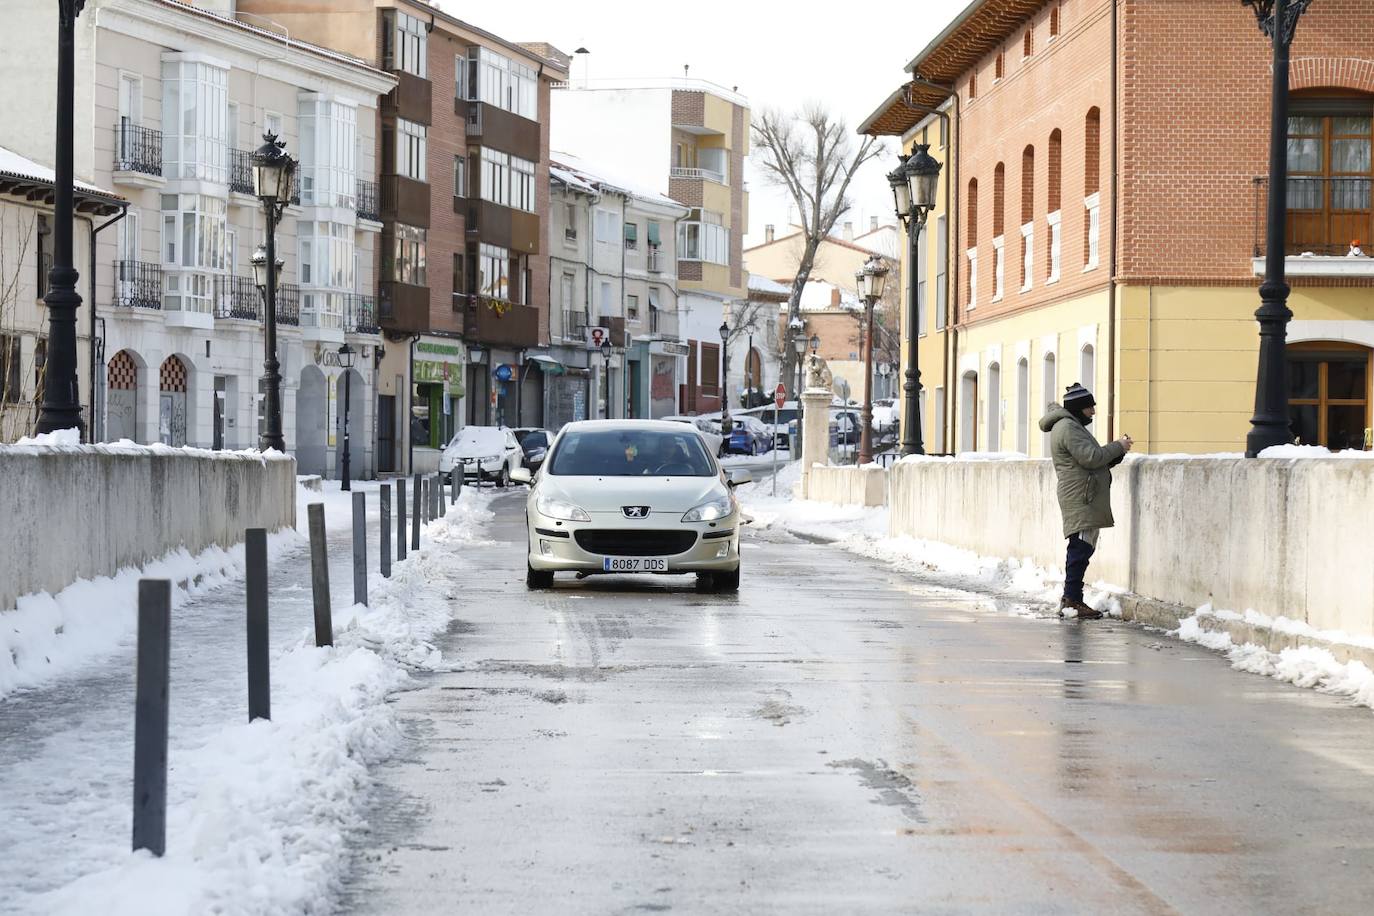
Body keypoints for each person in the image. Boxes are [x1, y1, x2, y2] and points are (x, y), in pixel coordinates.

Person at [1038, 383, 1133, 619]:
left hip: (1083, 494)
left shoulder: (1070, 425)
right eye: (1089, 407)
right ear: (1078, 407)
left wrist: (1117, 453)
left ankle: (1073, 599)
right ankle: (1072, 601)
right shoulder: (1068, 427)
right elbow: (1091, 457)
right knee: (1079, 549)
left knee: (1083, 547)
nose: (1093, 411)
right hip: (1081, 496)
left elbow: (1092, 460)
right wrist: (1118, 446)